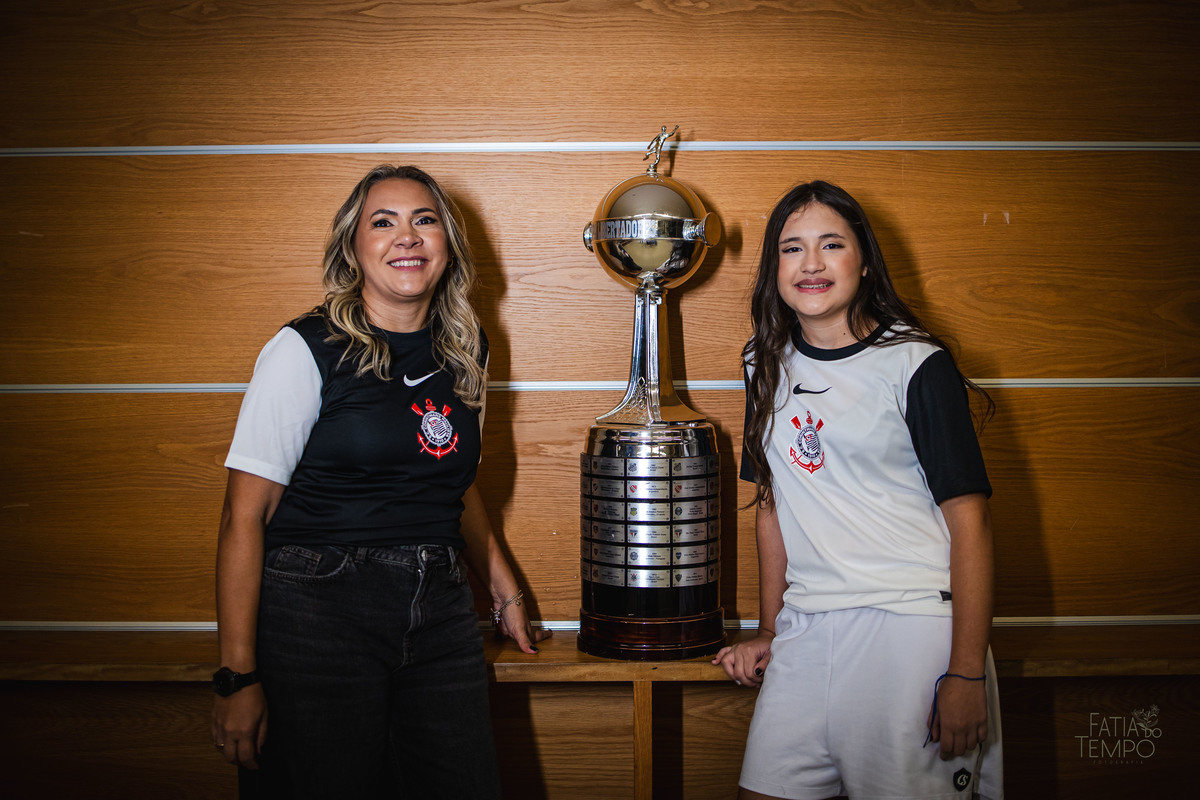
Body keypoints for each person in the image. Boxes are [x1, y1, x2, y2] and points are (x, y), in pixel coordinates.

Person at [210, 164, 550, 799]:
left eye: (424, 220)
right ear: (353, 247)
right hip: (318, 611)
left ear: (447, 244)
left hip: (440, 606)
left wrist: (504, 590)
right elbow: (243, 518)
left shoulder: (465, 345)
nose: (407, 237)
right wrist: (237, 675)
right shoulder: (303, 347)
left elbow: (448, 482)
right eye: (383, 222)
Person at [713, 180, 1003, 800]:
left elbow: (970, 522)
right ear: (774, 268)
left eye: (831, 244)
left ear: (864, 261)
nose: (810, 264)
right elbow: (772, 506)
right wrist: (769, 629)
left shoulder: (917, 364)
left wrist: (965, 673)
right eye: (791, 249)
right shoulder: (760, 363)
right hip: (807, 630)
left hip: (909, 632)